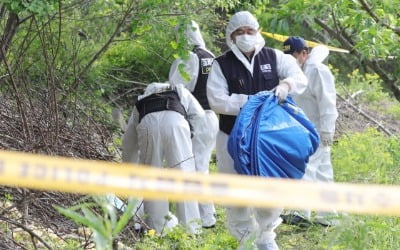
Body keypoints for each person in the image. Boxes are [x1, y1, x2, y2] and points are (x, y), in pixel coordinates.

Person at [206, 11, 308, 250]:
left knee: (270, 187)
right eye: (239, 32)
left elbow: (299, 78)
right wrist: (254, 102)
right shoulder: (222, 64)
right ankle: (245, 241)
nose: (245, 36)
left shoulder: (273, 57)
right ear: (231, 36)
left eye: (249, 31)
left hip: (267, 138)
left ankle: (266, 239)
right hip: (232, 137)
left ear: (257, 32)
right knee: (235, 191)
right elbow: (217, 100)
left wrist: (286, 85)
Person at [122, 82, 205, 235]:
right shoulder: (180, 91)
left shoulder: (141, 101)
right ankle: (191, 231)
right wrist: (190, 133)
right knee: (184, 176)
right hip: (177, 123)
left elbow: (128, 141)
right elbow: (200, 115)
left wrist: (130, 166)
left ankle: (157, 231)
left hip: (148, 124)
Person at [281, 36, 339, 227]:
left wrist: (327, 131)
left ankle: (300, 212)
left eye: (293, 55)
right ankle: (328, 218)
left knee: (305, 167)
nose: (290, 59)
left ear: (304, 53)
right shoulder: (292, 73)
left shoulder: (318, 71)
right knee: (323, 173)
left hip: (318, 130)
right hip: (301, 129)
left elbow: (328, 103)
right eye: (287, 55)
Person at [169, 20, 219, 229]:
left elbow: (177, 90)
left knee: (195, 168)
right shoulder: (211, 56)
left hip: (195, 119)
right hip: (211, 118)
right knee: (201, 167)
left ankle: (203, 218)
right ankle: (205, 214)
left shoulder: (188, 58)